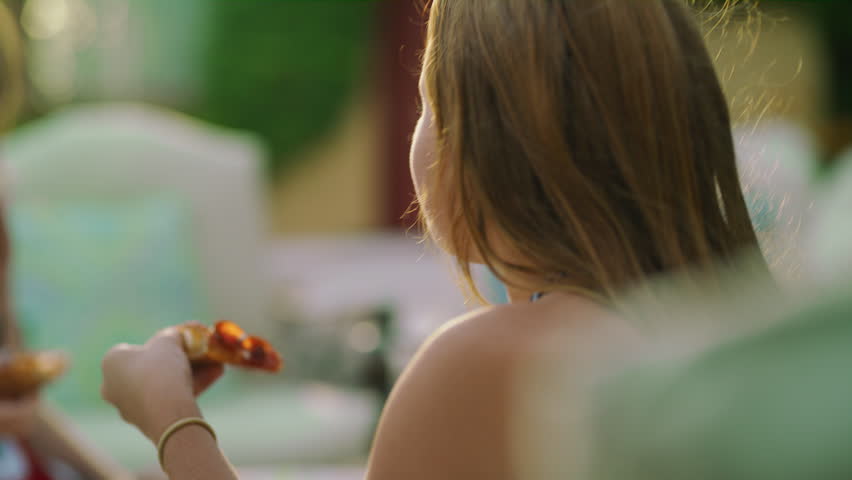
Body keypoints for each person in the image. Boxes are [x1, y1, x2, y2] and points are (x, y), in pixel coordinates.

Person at [101, 0, 769, 478]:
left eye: (429, 101)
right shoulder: (754, 344)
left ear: (477, 143)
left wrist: (171, 420)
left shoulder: (479, 367)